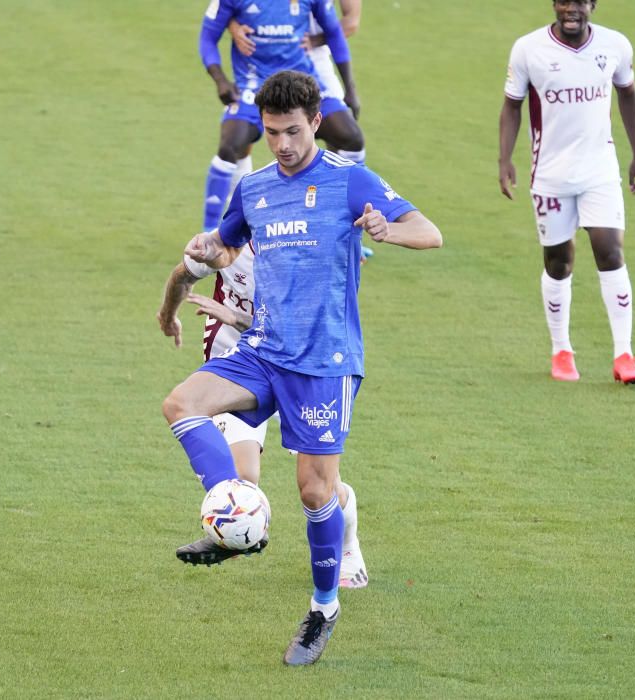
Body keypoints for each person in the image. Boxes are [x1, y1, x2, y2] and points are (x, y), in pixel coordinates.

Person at [162, 70, 442, 666]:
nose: (282, 145)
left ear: (316, 122)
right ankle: (236, 506)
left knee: (316, 490)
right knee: (181, 404)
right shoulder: (255, 187)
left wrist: (387, 230)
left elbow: (430, 231)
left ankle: (322, 609)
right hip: (264, 349)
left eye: (292, 131)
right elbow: (228, 244)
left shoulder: (348, 180)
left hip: (324, 362)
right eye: (271, 133)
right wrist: (209, 249)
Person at [157, 248, 369, 589]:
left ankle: (347, 547)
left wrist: (235, 317)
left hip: (296, 366)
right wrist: (168, 315)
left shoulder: (302, 251)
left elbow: (294, 328)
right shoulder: (225, 241)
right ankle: (240, 526)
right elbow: (182, 273)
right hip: (237, 362)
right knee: (242, 478)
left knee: (321, 486)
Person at [498, 0, 635, 384]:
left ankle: (624, 355)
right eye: (564, 2)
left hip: (600, 169)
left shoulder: (615, 46)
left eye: (579, 2)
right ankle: (561, 350)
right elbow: (512, 106)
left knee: (610, 251)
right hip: (550, 176)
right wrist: (505, 160)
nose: (571, 10)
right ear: (554, 5)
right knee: (559, 262)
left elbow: (628, 95)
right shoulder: (528, 49)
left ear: (592, 6)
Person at [199, 0, 365, 231]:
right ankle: (210, 235)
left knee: (350, 137)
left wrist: (350, 88)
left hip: (303, 81)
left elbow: (342, 27)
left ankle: (345, 230)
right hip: (253, 84)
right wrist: (220, 80)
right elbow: (208, 36)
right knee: (231, 145)